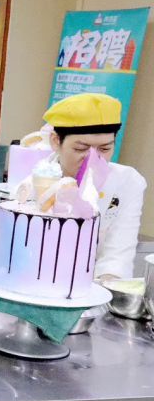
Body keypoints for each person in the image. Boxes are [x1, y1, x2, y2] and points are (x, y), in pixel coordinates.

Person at [43, 93, 146, 279]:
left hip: (94, 287)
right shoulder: (36, 178)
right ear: (56, 141)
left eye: (105, 149)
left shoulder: (128, 182)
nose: (93, 159)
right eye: (81, 149)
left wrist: (106, 285)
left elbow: (118, 255)